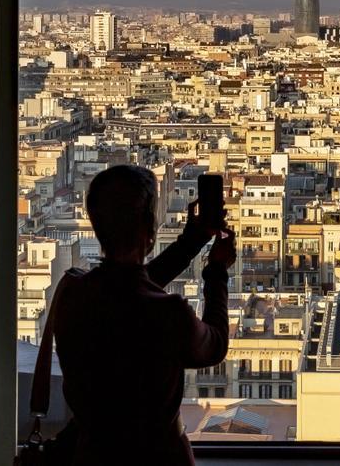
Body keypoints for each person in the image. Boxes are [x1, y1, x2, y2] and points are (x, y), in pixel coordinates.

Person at [54, 165, 235, 465]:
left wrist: (190, 242)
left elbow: (126, 287)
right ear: (149, 227)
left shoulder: (73, 296)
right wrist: (216, 273)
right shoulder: (168, 313)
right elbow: (214, 344)